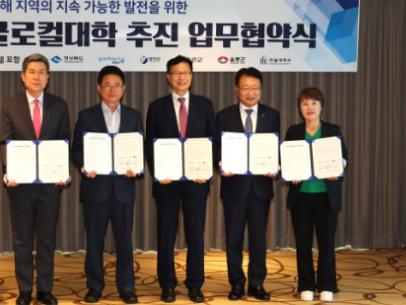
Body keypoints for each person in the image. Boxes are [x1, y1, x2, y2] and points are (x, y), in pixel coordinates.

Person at [0, 53, 70, 305]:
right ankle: (25, 290)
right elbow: (4, 142)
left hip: (50, 185)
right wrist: (9, 171)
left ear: (48, 77)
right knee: (22, 239)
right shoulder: (10, 106)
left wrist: (62, 172)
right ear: (22, 76)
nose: (36, 77)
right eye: (32, 72)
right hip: (21, 185)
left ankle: (45, 290)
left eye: (41, 72)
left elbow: (64, 141)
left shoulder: (59, 106)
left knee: (47, 239)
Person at [145, 55, 216, 304]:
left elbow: (212, 141)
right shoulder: (156, 107)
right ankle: (167, 284)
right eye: (176, 73)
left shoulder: (205, 105)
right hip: (167, 183)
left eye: (185, 72)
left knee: (196, 235)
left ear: (192, 76)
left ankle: (195, 284)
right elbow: (150, 144)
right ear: (168, 77)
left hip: (196, 182)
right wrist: (158, 173)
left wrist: (206, 170)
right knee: (166, 235)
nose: (181, 77)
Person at [71, 66, 143, 304]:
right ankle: (94, 286)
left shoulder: (133, 116)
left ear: (124, 89)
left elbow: (139, 148)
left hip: (123, 189)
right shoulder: (86, 115)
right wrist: (84, 166)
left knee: (125, 242)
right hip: (96, 189)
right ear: (98, 88)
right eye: (107, 85)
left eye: (117, 85)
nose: (112, 89)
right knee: (94, 242)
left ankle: (127, 287)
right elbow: (76, 150)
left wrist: (136, 167)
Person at [215, 67, 279, 301]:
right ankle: (236, 283)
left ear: (260, 90)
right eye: (245, 88)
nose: (250, 93)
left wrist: (276, 165)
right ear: (236, 90)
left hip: (261, 187)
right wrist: (220, 164)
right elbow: (216, 149)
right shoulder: (224, 116)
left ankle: (256, 283)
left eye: (254, 88)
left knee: (258, 239)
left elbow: (275, 147)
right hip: (234, 187)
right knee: (233, 238)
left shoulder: (272, 115)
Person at [284, 87, 348, 303]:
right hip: (301, 196)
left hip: (326, 196)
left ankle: (327, 284)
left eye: (313, 103)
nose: (309, 107)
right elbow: (286, 159)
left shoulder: (332, 130)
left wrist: (337, 168)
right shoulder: (293, 131)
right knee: (302, 244)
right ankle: (306, 285)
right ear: (299, 108)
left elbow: (344, 157)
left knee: (326, 243)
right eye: (304, 103)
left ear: (321, 107)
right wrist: (290, 173)